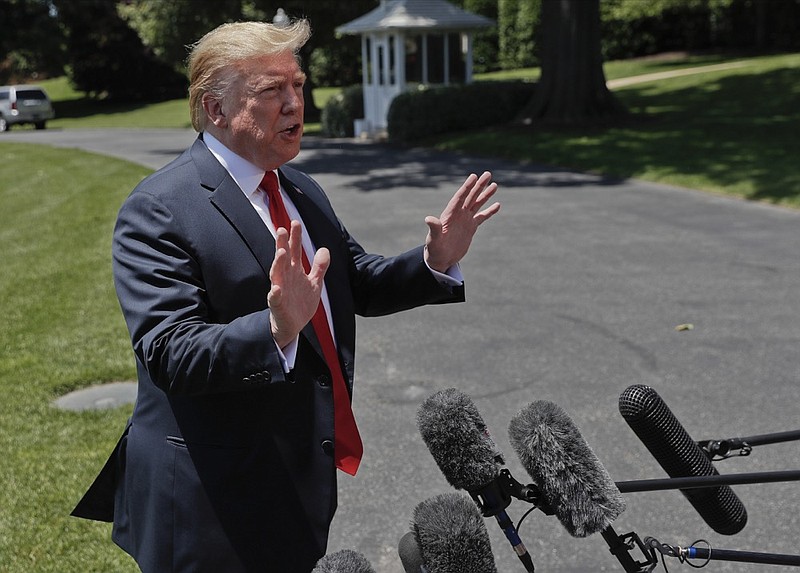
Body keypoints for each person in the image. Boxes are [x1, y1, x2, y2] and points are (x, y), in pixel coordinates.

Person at [71, 19, 499, 573]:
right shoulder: (159, 209)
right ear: (215, 109)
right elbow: (168, 351)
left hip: (295, 479)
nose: (295, 103)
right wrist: (275, 330)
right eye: (272, 91)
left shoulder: (299, 188)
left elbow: (354, 280)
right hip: (211, 501)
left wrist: (433, 262)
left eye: (297, 85)